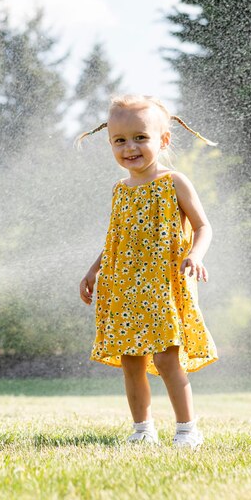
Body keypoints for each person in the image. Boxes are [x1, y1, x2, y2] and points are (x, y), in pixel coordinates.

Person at [78, 95, 219, 448]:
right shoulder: (120, 190)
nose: (130, 147)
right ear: (110, 142)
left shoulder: (174, 182)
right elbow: (117, 240)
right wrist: (93, 270)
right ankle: (142, 430)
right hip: (123, 286)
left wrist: (196, 255)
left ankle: (187, 429)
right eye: (120, 140)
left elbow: (203, 227)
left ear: (164, 140)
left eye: (141, 137)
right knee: (131, 360)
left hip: (161, 286)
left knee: (167, 357)